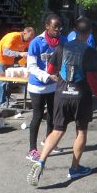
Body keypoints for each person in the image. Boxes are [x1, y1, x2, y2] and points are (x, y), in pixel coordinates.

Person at [27, 17, 97, 186]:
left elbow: (50, 69)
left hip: (61, 94)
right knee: (81, 132)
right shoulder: (90, 51)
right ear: (89, 32)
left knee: (57, 130)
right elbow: (93, 80)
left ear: (74, 31)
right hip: (80, 96)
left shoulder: (62, 46)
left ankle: (40, 161)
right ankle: (74, 168)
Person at [26, 14, 67, 162]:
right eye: (55, 27)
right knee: (37, 116)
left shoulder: (63, 40)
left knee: (52, 115)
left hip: (54, 86)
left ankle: (49, 142)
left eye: (60, 27)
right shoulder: (36, 42)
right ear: (47, 26)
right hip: (37, 86)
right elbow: (31, 67)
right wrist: (47, 76)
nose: (58, 30)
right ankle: (32, 149)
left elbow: (66, 60)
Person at [0, 27, 35, 106]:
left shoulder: (28, 40)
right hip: (0, 58)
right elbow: (5, 52)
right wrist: (20, 53)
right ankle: (2, 102)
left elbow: (31, 50)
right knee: (2, 81)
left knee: (10, 80)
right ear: (24, 33)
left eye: (31, 38)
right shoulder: (12, 37)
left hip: (10, 60)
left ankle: (7, 99)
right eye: (29, 38)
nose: (30, 40)